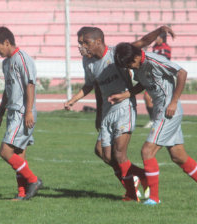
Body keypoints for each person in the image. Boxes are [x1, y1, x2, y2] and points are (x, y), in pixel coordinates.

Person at [64, 26, 175, 201]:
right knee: (102, 152)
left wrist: (160, 30)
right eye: (80, 43)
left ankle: (131, 193)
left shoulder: (116, 54)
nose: (82, 47)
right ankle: (142, 176)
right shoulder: (88, 62)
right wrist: (77, 101)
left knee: (118, 154)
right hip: (108, 109)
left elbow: (142, 42)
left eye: (85, 43)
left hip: (124, 107)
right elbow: (92, 86)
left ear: (98, 41)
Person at [109, 42, 197, 205]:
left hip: (168, 111)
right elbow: (144, 83)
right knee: (178, 156)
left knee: (147, 151)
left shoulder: (155, 60)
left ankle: (153, 199)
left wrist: (174, 102)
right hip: (161, 111)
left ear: (136, 57)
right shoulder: (138, 65)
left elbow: (182, 73)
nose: (131, 68)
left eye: (130, 64)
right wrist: (125, 95)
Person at [0, 27, 42, 200]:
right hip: (13, 112)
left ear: (7, 42)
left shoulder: (22, 59)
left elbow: (30, 85)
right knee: (19, 155)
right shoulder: (6, 63)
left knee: (5, 152)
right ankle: (22, 194)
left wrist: (28, 112)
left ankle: (34, 181)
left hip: (22, 112)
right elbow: (7, 89)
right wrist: (0, 112)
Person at [143, 31, 172, 128]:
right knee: (147, 97)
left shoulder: (165, 48)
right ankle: (153, 119)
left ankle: (161, 120)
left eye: (157, 37)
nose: (156, 39)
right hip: (152, 77)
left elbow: (163, 63)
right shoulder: (155, 47)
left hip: (161, 78)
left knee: (160, 99)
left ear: (162, 38)